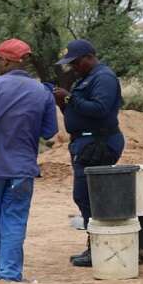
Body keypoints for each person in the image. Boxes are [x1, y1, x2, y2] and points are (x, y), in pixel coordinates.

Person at [0, 38, 58, 282]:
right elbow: (49, 135)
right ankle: (9, 274)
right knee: (14, 221)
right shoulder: (42, 92)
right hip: (22, 167)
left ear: (6, 60)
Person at [53, 39, 125, 267]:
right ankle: (95, 245)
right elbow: (76, 109)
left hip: (99, 144)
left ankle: (99, 247)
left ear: (89, 57)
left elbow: (100, 109)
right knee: (86, 196)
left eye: (75, 62)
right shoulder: (86, 78)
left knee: (89, 196)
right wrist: (63, 101)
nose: (73, 67)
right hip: (85, 143)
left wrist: (69, 97)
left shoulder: (103, 78)